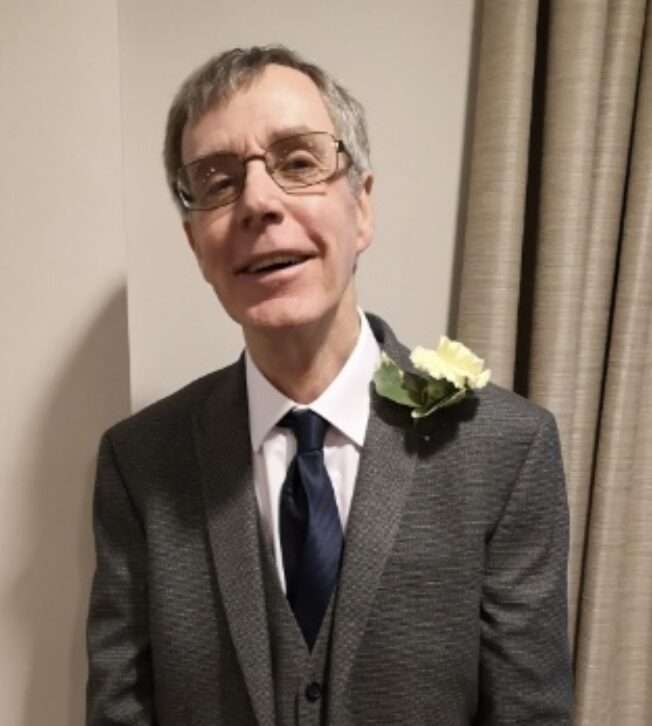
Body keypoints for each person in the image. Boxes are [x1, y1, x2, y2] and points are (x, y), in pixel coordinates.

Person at [86, 45, 573, 725]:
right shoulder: (140, 463)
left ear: (361, 208)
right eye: (218, 181)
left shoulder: (506, 449)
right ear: (196, 244)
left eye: (297, 163)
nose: (258, 201)